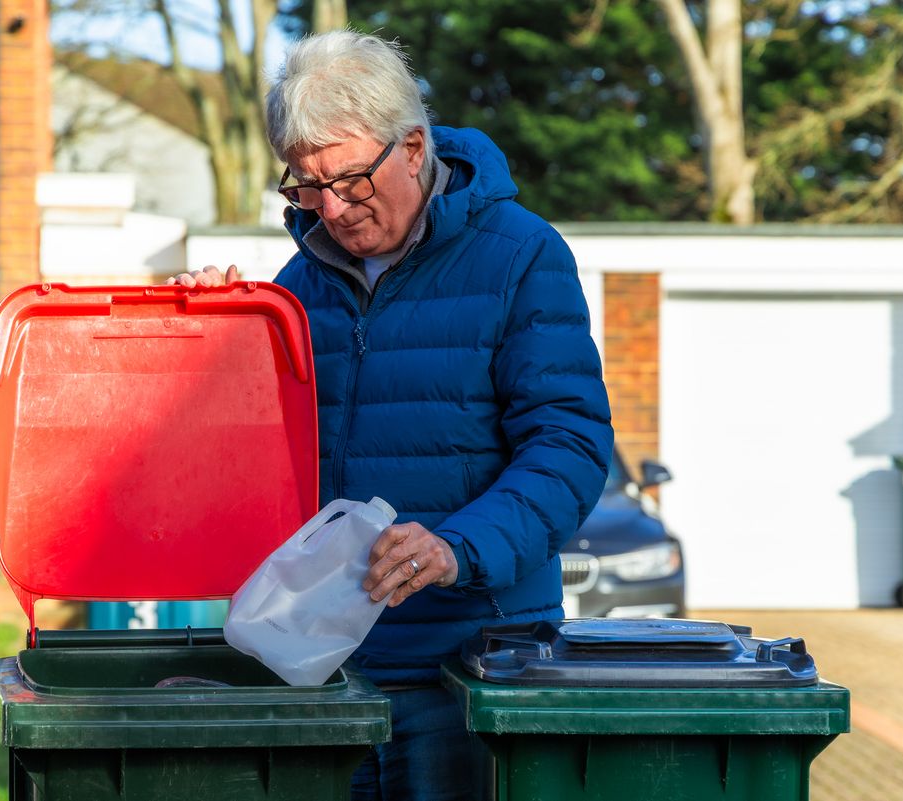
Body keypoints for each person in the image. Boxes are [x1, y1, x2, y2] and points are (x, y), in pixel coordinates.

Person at [170, 30, 613, 801]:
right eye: (306, 187)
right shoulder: (297, 285)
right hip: (323, 666)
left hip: (472, 671)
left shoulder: (522, 257)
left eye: (350, 180)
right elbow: (242, 458)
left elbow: (569, 446)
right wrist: (222, 332)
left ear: (413, 147)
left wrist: (457, 545)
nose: (332, 209)